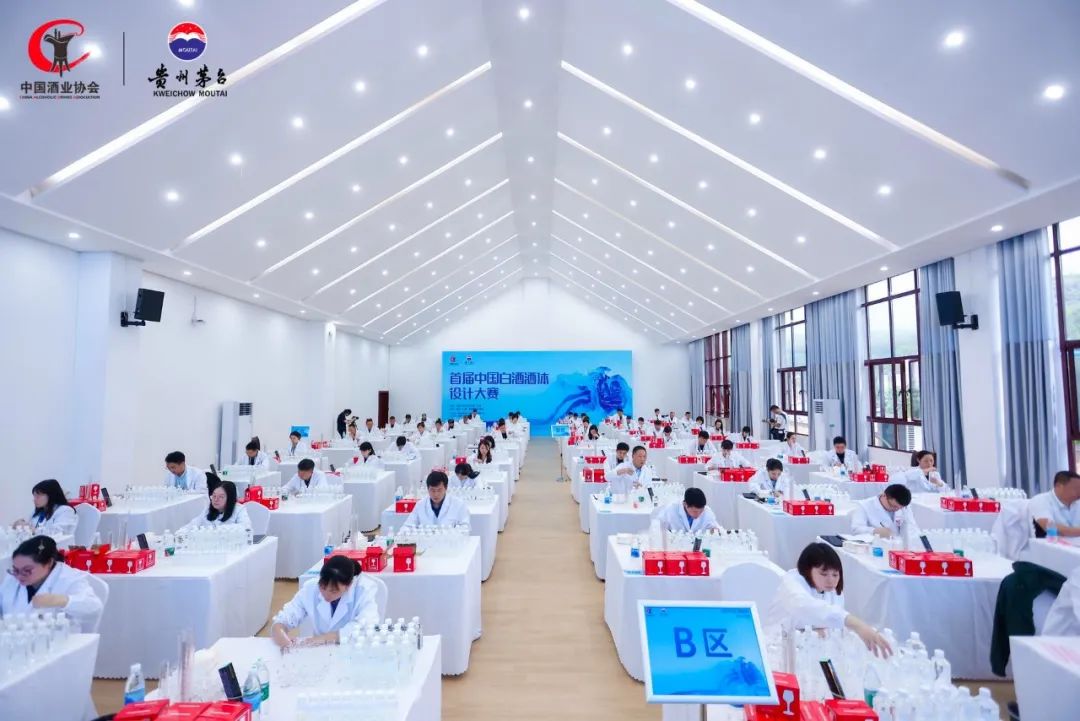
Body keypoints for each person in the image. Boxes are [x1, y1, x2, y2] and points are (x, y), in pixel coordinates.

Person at [766, 542, 892, 657]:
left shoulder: (833, 591)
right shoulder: (792, 583)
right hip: (778, 649)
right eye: (824, 574)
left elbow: (833, 628)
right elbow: (804, 607)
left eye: (835, 574)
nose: (831, 580)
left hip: (813, 652)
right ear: (807, 570)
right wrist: (855, 624)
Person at [271, 555, 379, 649]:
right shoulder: (311, 588)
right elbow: (284, 619)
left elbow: (368, 625)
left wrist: (327, 638)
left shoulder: (363, 590)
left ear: (348, 585)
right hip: (320, 651)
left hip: (352, 649)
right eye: (322, 587)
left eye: (334, 591)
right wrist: (283, 637)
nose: (326, 594)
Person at [0, 536, 103, 632]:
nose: (19, 576)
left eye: (27, 570)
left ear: (49, 563)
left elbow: (94, 607)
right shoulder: (12, 578)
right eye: (16, 570)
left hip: (56, 640)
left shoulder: (69, 578)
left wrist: (61, 600)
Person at [401, 472, 471, 529]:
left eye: (439, 490)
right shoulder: (420, 505)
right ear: (428, 489)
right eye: (432, 490)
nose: (436, 494)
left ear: (446, 488)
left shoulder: (458, 504)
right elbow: (407, 526)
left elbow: (465, 527)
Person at [851, 484, 920, 538]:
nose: (896, 509)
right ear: (884, 495)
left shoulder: (903, 506)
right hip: (876, 545)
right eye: (893, 506)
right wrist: (874, 531)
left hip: (899, 545)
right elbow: (856, 529)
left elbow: (912, 527)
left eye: (900, 508)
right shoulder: (864, 506)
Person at [182, 481, 252, 531]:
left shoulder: (239, 509)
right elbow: (194, 523)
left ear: (230, 498)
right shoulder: (208, 509)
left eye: (221, 497)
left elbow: (246, 527)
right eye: (214, 496)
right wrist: (182, 531)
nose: (216, 499)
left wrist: (216, 529)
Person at [1030, 470, 1080, 537]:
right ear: (1058, 486)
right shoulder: (1040, 500)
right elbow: (1050, 527)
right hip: (1052, 542)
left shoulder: (1077, 502)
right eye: (1075, 488)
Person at [656, 488, 720, 532]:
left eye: (701, 511)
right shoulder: (671, 509)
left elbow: (715, 528)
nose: (698, 515)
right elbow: (657, 527)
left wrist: (715, 531)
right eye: (695, 511)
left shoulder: (707, 511)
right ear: (685, 504)